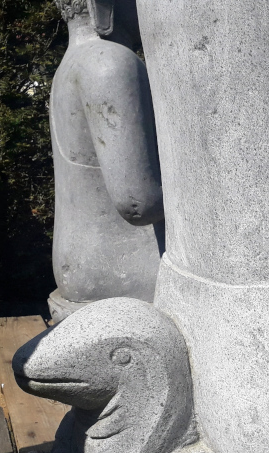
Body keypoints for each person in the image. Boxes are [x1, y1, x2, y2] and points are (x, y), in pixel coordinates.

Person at [48, 0, 164, 321]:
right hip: (118, 265)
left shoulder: (70, 64)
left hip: (81, 262)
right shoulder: (109, 63)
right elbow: (138, 203)